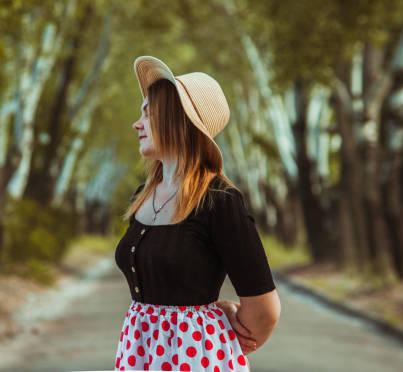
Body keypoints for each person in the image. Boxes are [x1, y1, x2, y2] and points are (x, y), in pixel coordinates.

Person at [113, 56, 281, 371]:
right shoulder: (143, 195)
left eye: (148, 115)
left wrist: (212, 327)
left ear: (177, 120)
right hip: (139, 352)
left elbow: (264, 311)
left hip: (195, 357)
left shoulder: (219, 201)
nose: (137, 124)